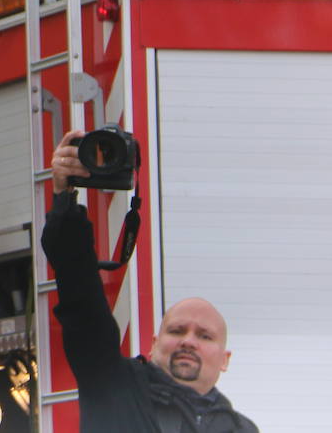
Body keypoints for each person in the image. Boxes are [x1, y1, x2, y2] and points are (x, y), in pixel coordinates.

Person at [41, 130, 259, 432]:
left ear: (225, 359)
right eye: (177, 330)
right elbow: (80, 296)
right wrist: (64, 197)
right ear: (155, 344)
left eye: (205, 336)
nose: (188, 341)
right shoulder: (113, 384)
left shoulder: (241, 429)